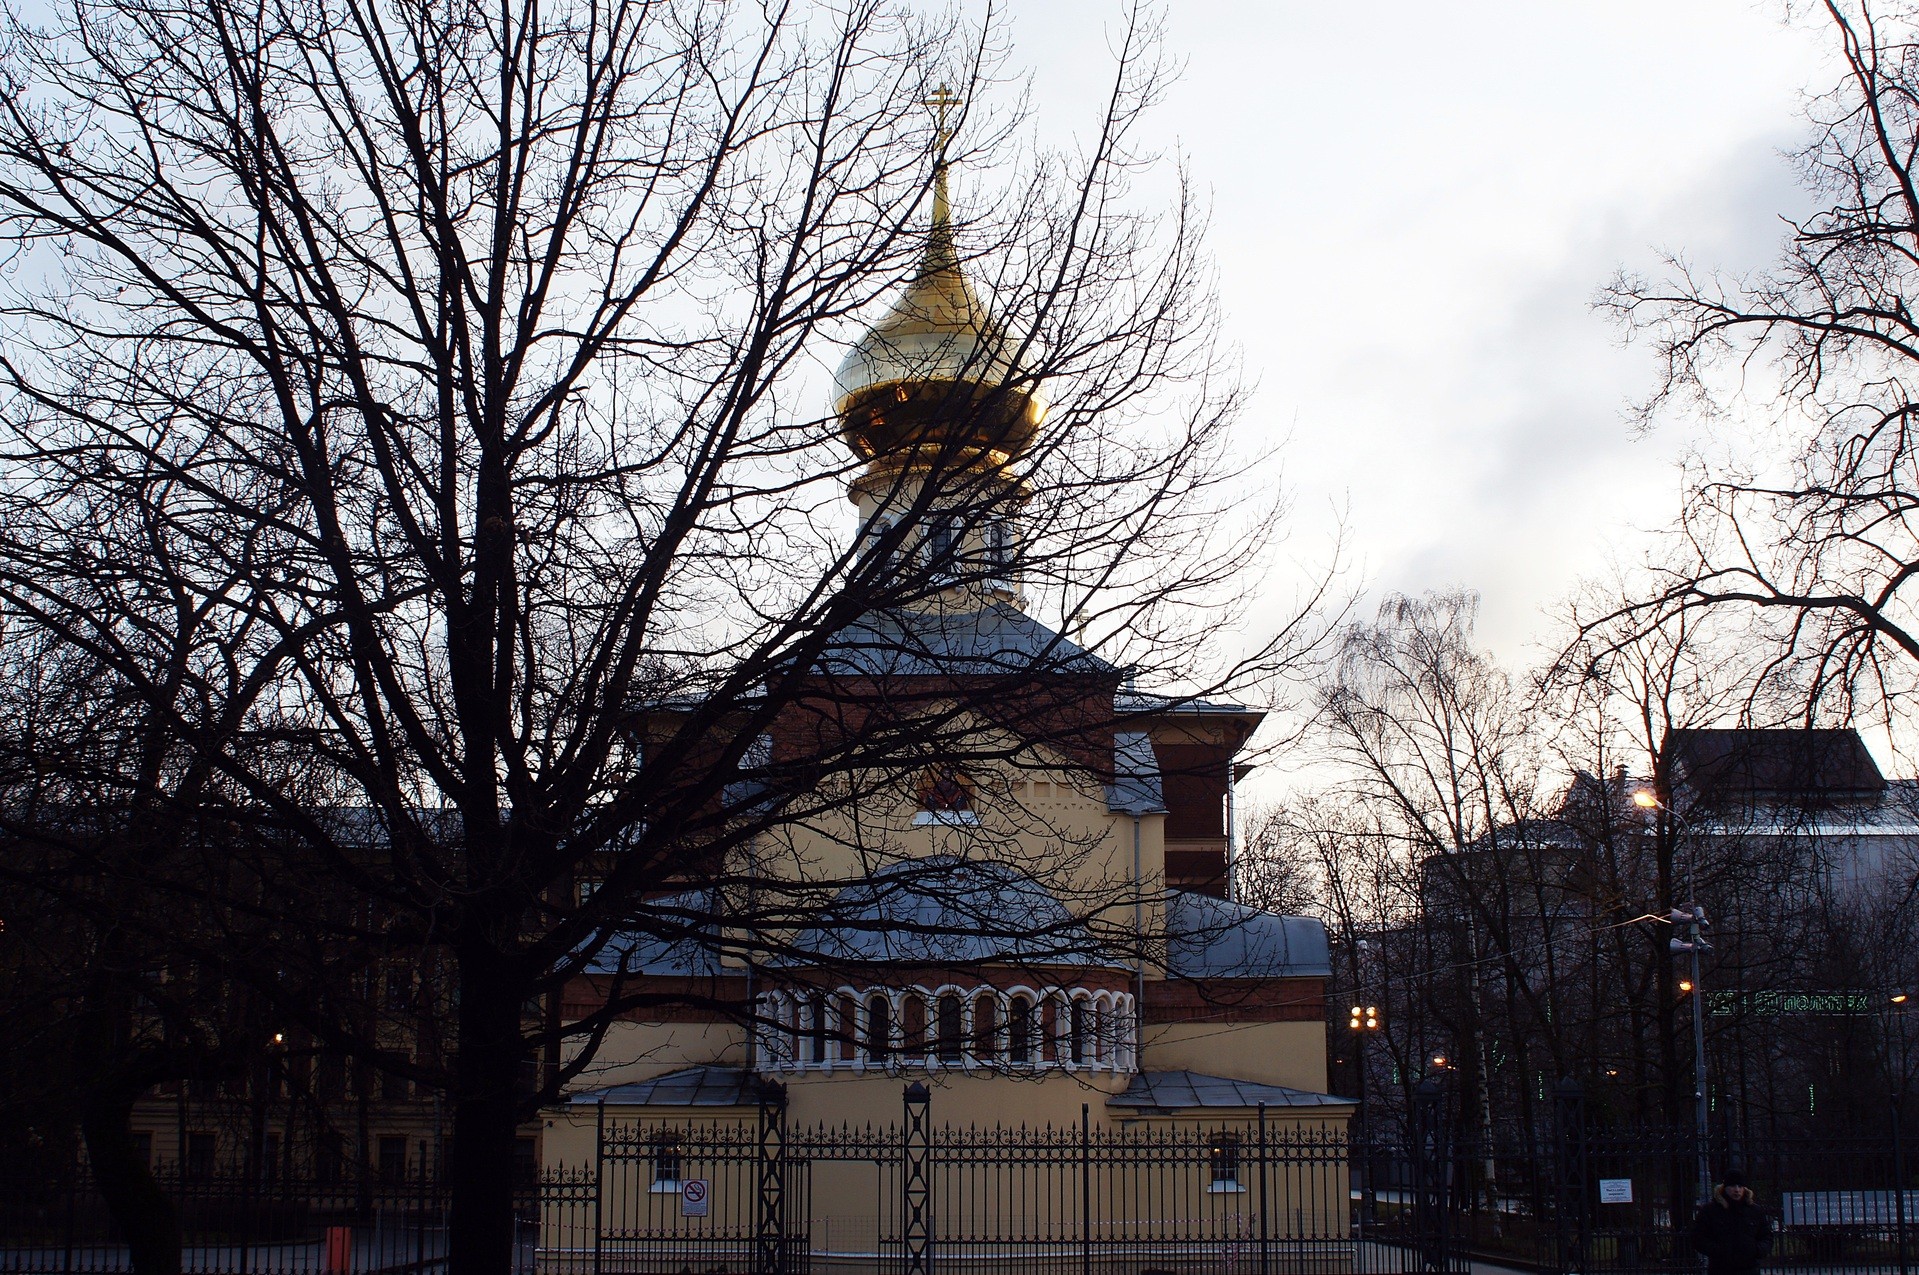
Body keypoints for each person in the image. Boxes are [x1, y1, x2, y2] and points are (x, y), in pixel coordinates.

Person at [1689, 1169, 1773, 1275]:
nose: (1737, 1190)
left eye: (1740, 1186)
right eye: (1733, 1186)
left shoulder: (1755, 1211)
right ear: (1724, 1188)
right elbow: (1698, 1237)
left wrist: (1757, 1250)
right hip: (1720, 1269)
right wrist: (1717, 1251)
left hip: (1749, 1268)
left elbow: (1767, 1236)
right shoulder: (1710, 1211)